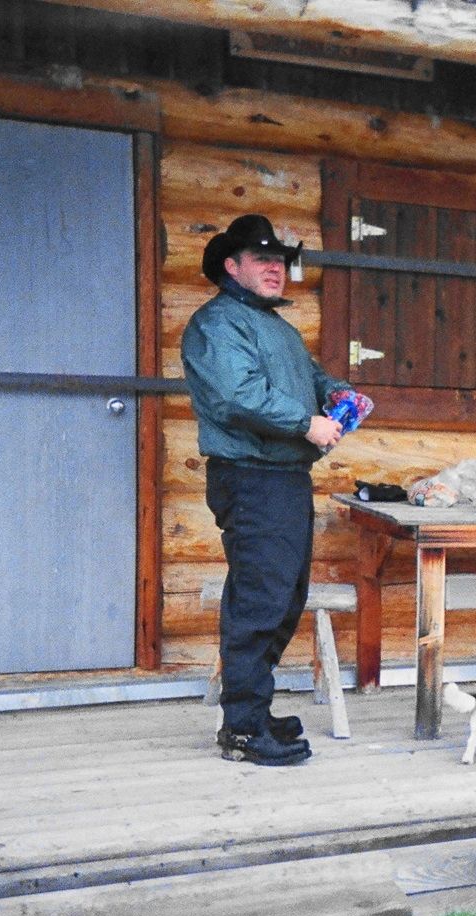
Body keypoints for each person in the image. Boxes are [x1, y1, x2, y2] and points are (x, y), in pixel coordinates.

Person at [182, 214, 356, 766]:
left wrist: (337, 392)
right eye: (262, 261)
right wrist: (308, 424)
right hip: (251, 477)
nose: (275, 269)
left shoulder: (274, 327)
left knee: (284, 598)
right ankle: (240, 728)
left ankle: (254, 712)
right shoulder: (217, 325)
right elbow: (239, 395)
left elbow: (309, 378)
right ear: (232, 267)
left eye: (280, 261)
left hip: (283, 478)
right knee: (259, 600)